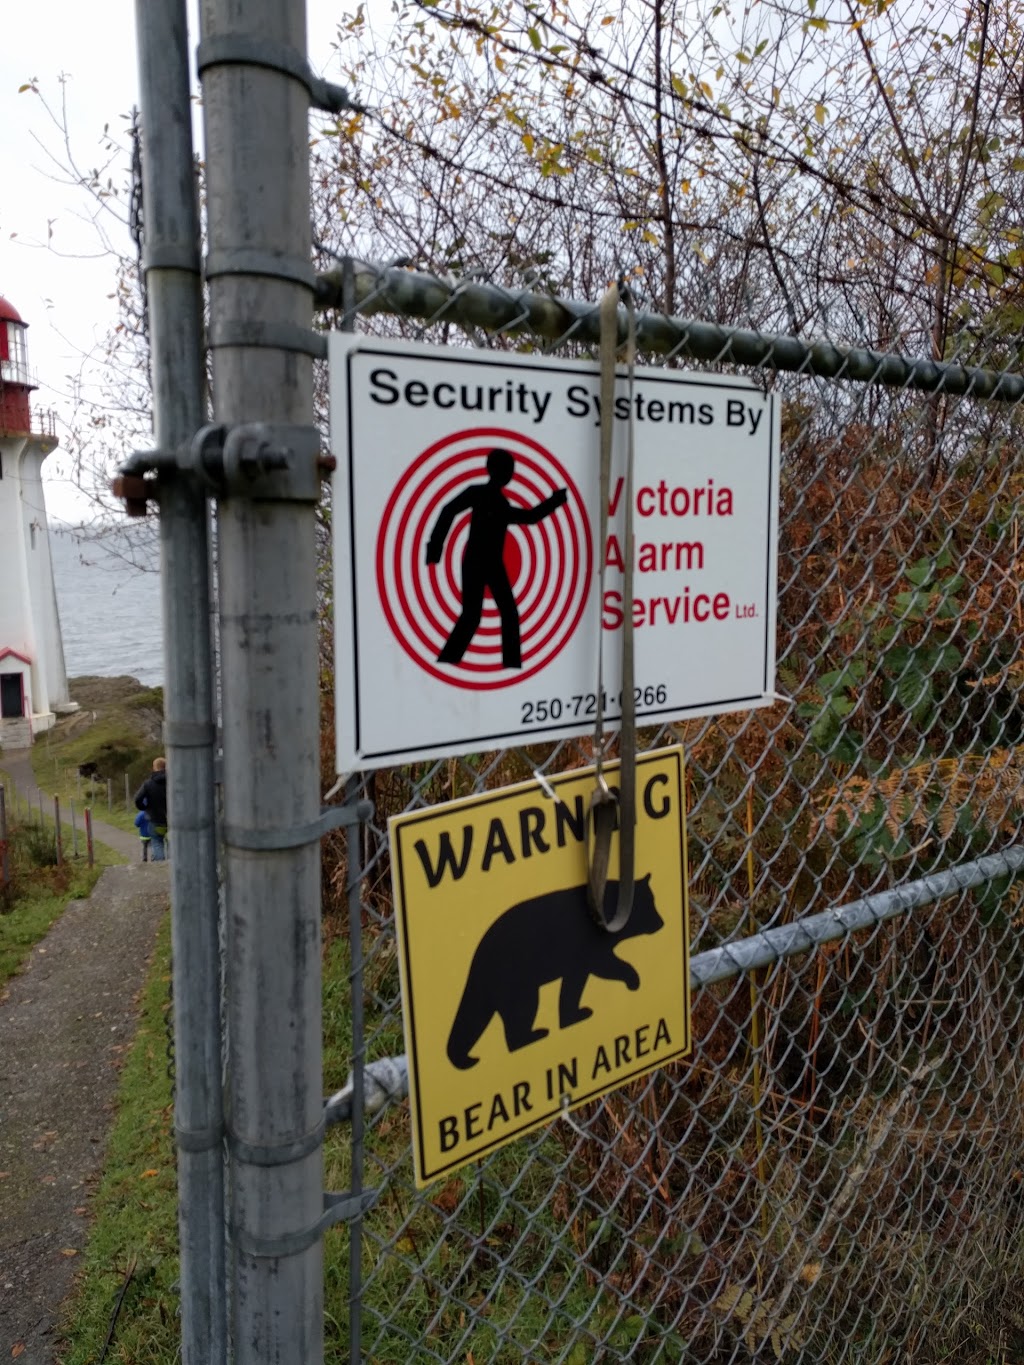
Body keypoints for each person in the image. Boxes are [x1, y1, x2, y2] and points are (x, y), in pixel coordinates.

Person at [426, 448, 568, 668]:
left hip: (491, 563)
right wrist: (435, 549)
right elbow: (448, 510)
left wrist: (554, 501)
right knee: (474, 616)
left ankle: (510, 665)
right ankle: (448, 661)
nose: (511, 473)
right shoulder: (481, 494)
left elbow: (529, 517)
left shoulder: (499, 501)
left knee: (503, 614)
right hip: (475, 562)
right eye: (508, 469)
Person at [134, 756, 169, 862]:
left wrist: (145, 808)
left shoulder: (148, 784)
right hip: (172, 820)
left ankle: (161, 866)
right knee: (173, 842)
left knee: (157, 842)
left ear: (154, 768)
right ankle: (173, 865)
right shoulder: (174, 781)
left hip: (155, 819)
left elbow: (137, 799)